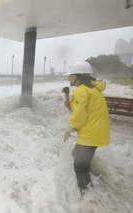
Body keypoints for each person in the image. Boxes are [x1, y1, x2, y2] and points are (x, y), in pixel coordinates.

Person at [63, 61, 110, 195]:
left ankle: (89, 200)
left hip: (90, 134)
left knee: (79, 167)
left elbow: (78, 116)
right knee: (75, 154)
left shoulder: (81, 91)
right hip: (97, 132)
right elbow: (80, 109)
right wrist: (69, 104)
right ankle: (91, 177)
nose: (69, 78)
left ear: (78, 76)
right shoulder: (93, 89)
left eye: (70, 75)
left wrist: (68, 129)